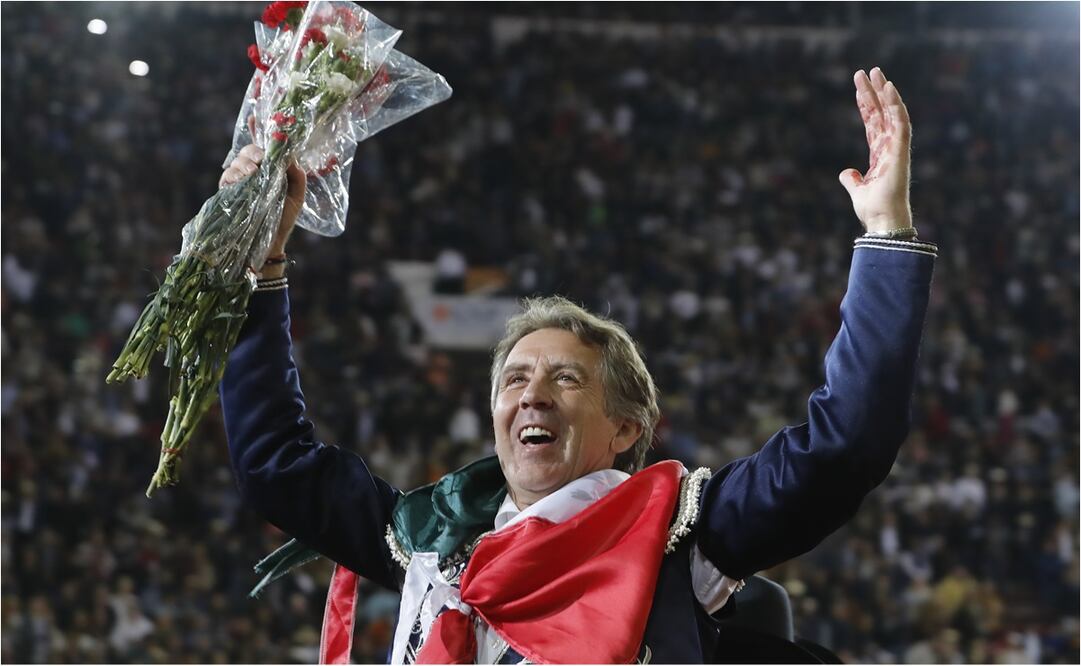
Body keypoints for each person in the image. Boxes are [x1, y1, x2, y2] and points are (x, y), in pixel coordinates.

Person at [218, 67, 937, 663]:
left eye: (566, 379)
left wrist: (885, 232)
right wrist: (260, 263)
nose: (532, 395)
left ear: (625, 428)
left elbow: (843, 446)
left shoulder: (677, 534)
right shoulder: (434, 535)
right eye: (514, 379)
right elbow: (275, 468)